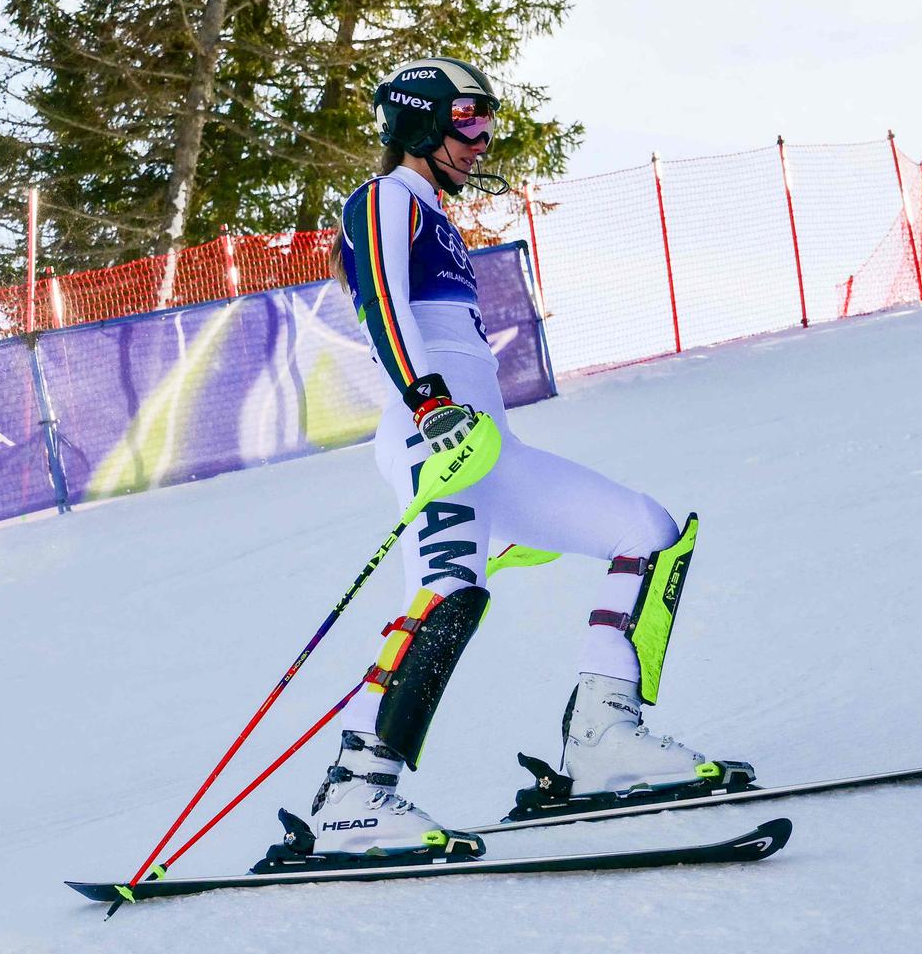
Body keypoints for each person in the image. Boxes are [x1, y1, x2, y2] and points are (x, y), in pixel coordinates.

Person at [311, 56, 737, 854]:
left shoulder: (434, 214)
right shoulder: (382, 200)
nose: (480, 138)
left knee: (646, 532)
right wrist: (427, 401)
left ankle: (604, 738)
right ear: (417, 120)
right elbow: (383, 305)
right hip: (433, 440)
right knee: (446, 594)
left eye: (485, 121)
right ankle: (355, 795)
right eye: (465, 119)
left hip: (486, 448)